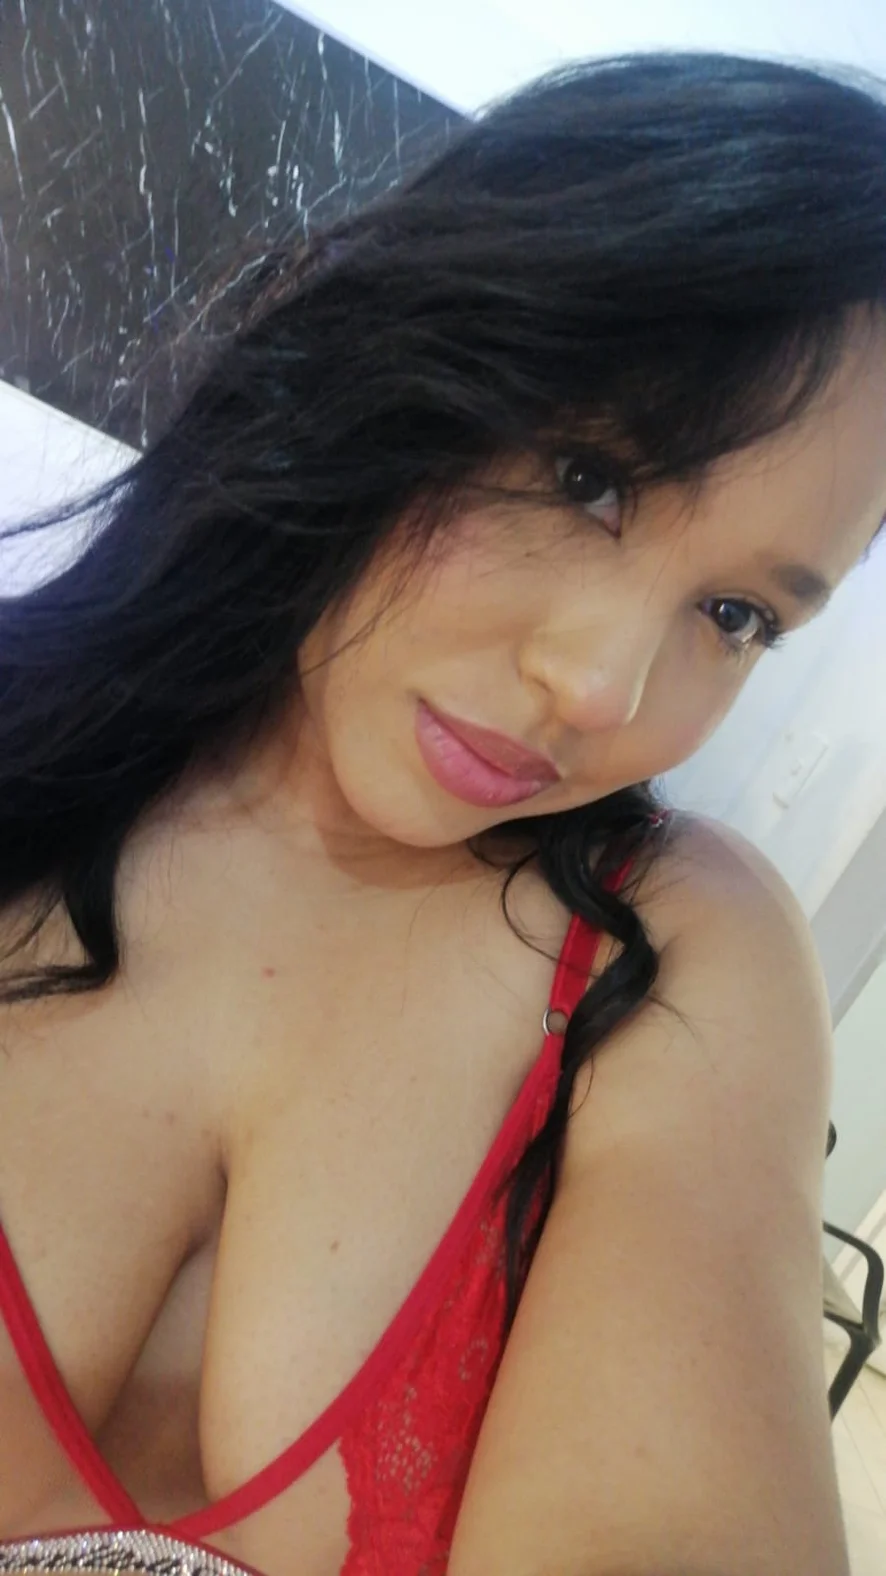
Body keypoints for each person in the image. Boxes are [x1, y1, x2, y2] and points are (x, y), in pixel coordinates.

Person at [0, 47, 884, 1576]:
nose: (600, 688)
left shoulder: (674, 958)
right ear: (381, 349)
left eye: (735, 614)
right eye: (587, 476)